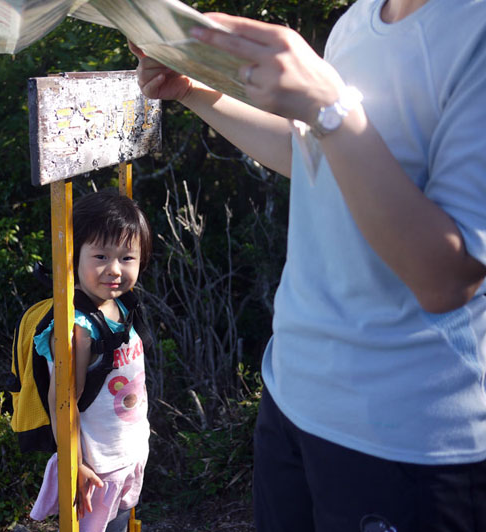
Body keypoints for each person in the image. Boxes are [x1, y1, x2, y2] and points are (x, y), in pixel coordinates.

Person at [131, 0, 486, 530]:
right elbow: (318, 158)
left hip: (407, 438)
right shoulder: (357, 22)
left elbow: (444, 278)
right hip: (292, 395)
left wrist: (330, 105)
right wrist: (193, 91)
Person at [29, 189, 153, 532]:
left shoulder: (124, 306)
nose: (114, 270)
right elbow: (62, 400)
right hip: (95, 470)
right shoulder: (77, 329)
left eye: (127, 258)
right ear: (73, 256)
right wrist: (75, 464)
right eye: (100, 256)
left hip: (126, 455)